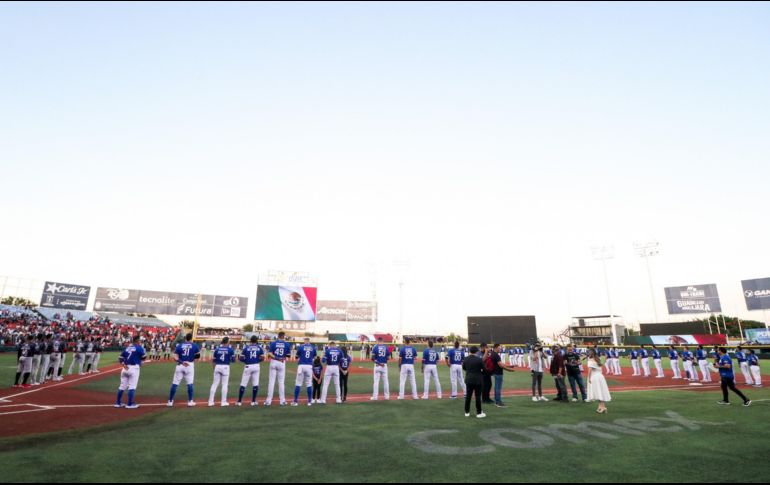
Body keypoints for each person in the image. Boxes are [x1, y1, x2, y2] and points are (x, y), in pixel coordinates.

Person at [167, 333, 201, 407]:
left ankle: (170, 401)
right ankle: (190, 401)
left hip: (180, 364)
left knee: (175, 383)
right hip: (189, 365)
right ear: (191, 338)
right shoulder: (194, 345)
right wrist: (191, 359)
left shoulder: (180, 345)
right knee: (190, 384)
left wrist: (182, 362)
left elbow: (175, 357)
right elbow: (198, 356)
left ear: (185, 338)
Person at [115, 336, 146, 409]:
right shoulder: (139, 347)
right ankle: (129, 404)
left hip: (125, 368)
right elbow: (144, 357)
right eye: (139, 340)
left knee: (122, 386)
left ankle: (118, 403)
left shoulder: (128, 348)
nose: (140, 342)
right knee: (132, 386)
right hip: (134, 368)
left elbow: (120, 358)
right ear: (137, 340)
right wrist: (141, 362)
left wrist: (123, 365)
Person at [238, 335, 265, 407]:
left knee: (243, 384)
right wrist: (256, 361)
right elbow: (262, 358)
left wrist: (246, 361)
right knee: (255, 384)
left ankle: (239, 402)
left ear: (250, 340)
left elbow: (240, 358)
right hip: (256, 366)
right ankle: (253, 401)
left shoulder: (246, 348)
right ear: (257, 341)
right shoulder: (259, 348)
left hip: (248, 366)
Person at [265, 332, 290, 406]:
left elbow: (269, 354)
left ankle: (268, 401)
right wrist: (281, 357)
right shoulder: (287, 344)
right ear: (283, 336)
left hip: (274, 361)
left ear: (278, 336)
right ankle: (282, 401)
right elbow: (288, 356)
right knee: (281, 382)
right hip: (282, 362)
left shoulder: (273, 343)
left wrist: (276, 357)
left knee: (271, 382)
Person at [208, 337, 234, 407]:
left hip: (217, 366)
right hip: (225, 366)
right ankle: (223, 402)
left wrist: (214, 369)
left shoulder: (217, 349)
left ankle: (210, 402)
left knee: (214, 384)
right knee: (224, 384)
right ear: (227, 342)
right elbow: (233, 360)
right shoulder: (230, 349)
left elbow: (213, 361)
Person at [462, 346, 486, 418]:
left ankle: (467, 412)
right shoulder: (479, 359)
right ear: (476, 351)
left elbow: (464, 368)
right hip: (478, 380)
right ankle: (478, 413)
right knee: (478, 396)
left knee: (468, 396)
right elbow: (484, 369)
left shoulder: (466, 359)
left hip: (469, 379)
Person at [292, 337, 316, 407]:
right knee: (309, 384)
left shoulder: (301, 347)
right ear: (309, 341)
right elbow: (314, 356)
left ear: (305, 341)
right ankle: (309, 402)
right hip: (309, 366)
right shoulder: (313, 347)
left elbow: (296, 356)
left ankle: (295, 401)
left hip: (301, 366)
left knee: (298, 383)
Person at [586, 349, 611, 414]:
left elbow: (590, 370)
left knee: (598, 392)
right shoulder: (598, 359)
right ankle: (601, 406)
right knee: (600, 392)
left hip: (595, 377)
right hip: (600, 377)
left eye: (588, 353)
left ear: (590, 354)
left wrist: (588, 378)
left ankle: (602, 407)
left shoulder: (590, 360)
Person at [490, 343, 515, 407]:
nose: (500, 348)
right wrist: (509, 369)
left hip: (495, 372)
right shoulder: (496, 355)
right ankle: (498, 402)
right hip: (498, 373)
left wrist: (510, 366)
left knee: (496, 388)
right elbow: (500, 365)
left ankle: (497, 401)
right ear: (496, 347)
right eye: (499, 347)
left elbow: (501, 363)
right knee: (498, 388)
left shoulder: (492, 354)